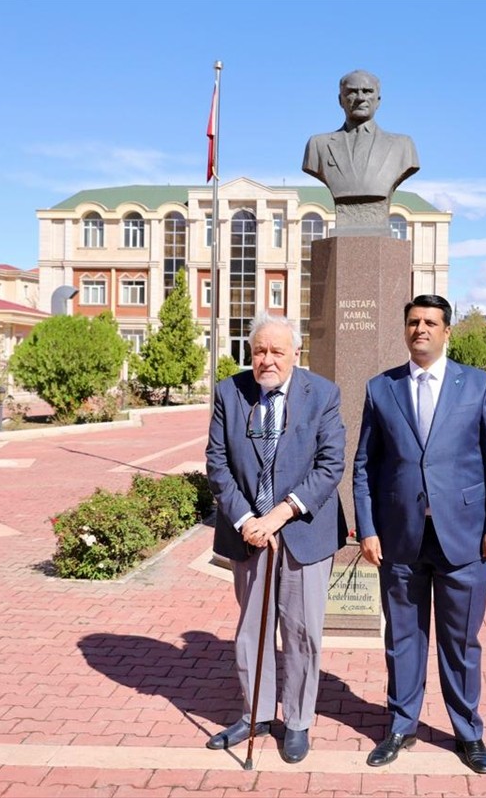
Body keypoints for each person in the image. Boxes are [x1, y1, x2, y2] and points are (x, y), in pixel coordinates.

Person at [353, 294, 486, 775]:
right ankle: (401, 725)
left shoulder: (477, 385)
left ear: (447, 331)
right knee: (402, 638)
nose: (420, 329)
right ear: (405, 330)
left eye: (430, 322)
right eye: (413, 322)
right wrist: (368, 528)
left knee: (460, 642)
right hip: (400, 538)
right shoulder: (382, 388)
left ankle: (468, 733)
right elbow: (364, 466)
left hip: (463, 538)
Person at [204, 312, 347, 764]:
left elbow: (330, 465)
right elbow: (217, 463)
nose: (266, 360)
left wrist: (280, 514)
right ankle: (257, 714)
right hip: (248, 532)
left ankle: (299, 721)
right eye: (259, 351)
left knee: (302, 631)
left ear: (296, 354)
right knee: (252, 629)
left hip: (302, 530)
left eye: (276, 351)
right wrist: (247, 518)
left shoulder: (321, 393)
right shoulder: (231, 392)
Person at [302, 70, 419, 230]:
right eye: (352, 92)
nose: (360, 98)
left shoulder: (402, 146)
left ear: (378, 100)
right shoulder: (318, 145)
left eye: (367, 91)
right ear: (340, 100)